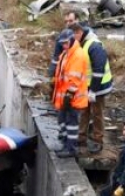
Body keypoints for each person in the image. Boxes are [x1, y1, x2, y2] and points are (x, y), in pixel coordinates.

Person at [53, 24, 90, 158]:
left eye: (65, 43)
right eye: (62, 43)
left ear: (72, 40)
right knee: (63, 121)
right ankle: (65, 144)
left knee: (71, 124)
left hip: (73, 98)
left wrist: (68, 96)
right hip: (66, 97)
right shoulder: (67, 53)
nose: (63, 46)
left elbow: (74, 79)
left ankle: (71, 148)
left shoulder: (78, 56)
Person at [77, 26, 113, 154]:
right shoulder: (82, 43)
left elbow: (98, 70)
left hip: (98, 87)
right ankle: (81, 137)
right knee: (83, 111)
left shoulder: (94, 46)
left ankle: (98, 141)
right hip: (86, 85)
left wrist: (93, 91)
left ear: (80, 33)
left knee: (97, 113)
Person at [47, 10, 81, 78]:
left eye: (71, 21)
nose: (68, 23)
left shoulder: (86, 34)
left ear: (77, 20)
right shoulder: (62, 37)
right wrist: (51, 74)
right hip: (69, 74)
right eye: (66, 21)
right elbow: (56, 57)